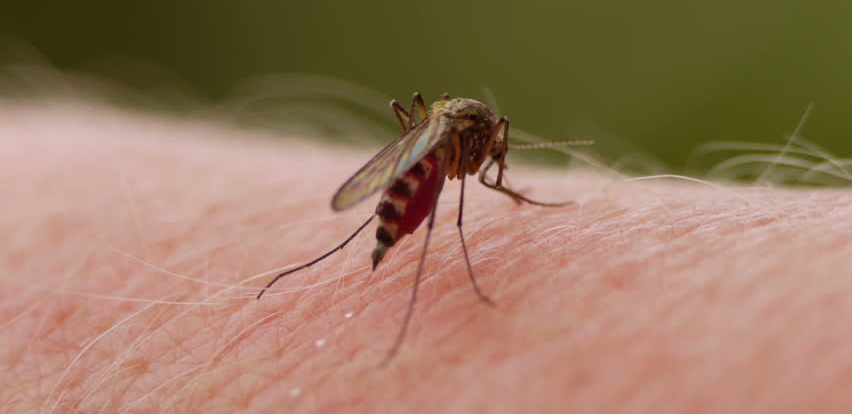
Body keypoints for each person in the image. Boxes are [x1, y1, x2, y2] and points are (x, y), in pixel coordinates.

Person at [3, 103, 851, 413]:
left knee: (417, 200)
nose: (490, 146)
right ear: (469, 131)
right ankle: (373, 253)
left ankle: (362, 242)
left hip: (405, 171)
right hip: (403, 196)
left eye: (484, 143)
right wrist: (449, 177)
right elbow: (435, 158)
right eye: (486, 141)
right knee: (431, 219)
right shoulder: (451, 145)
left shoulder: (460, 129)